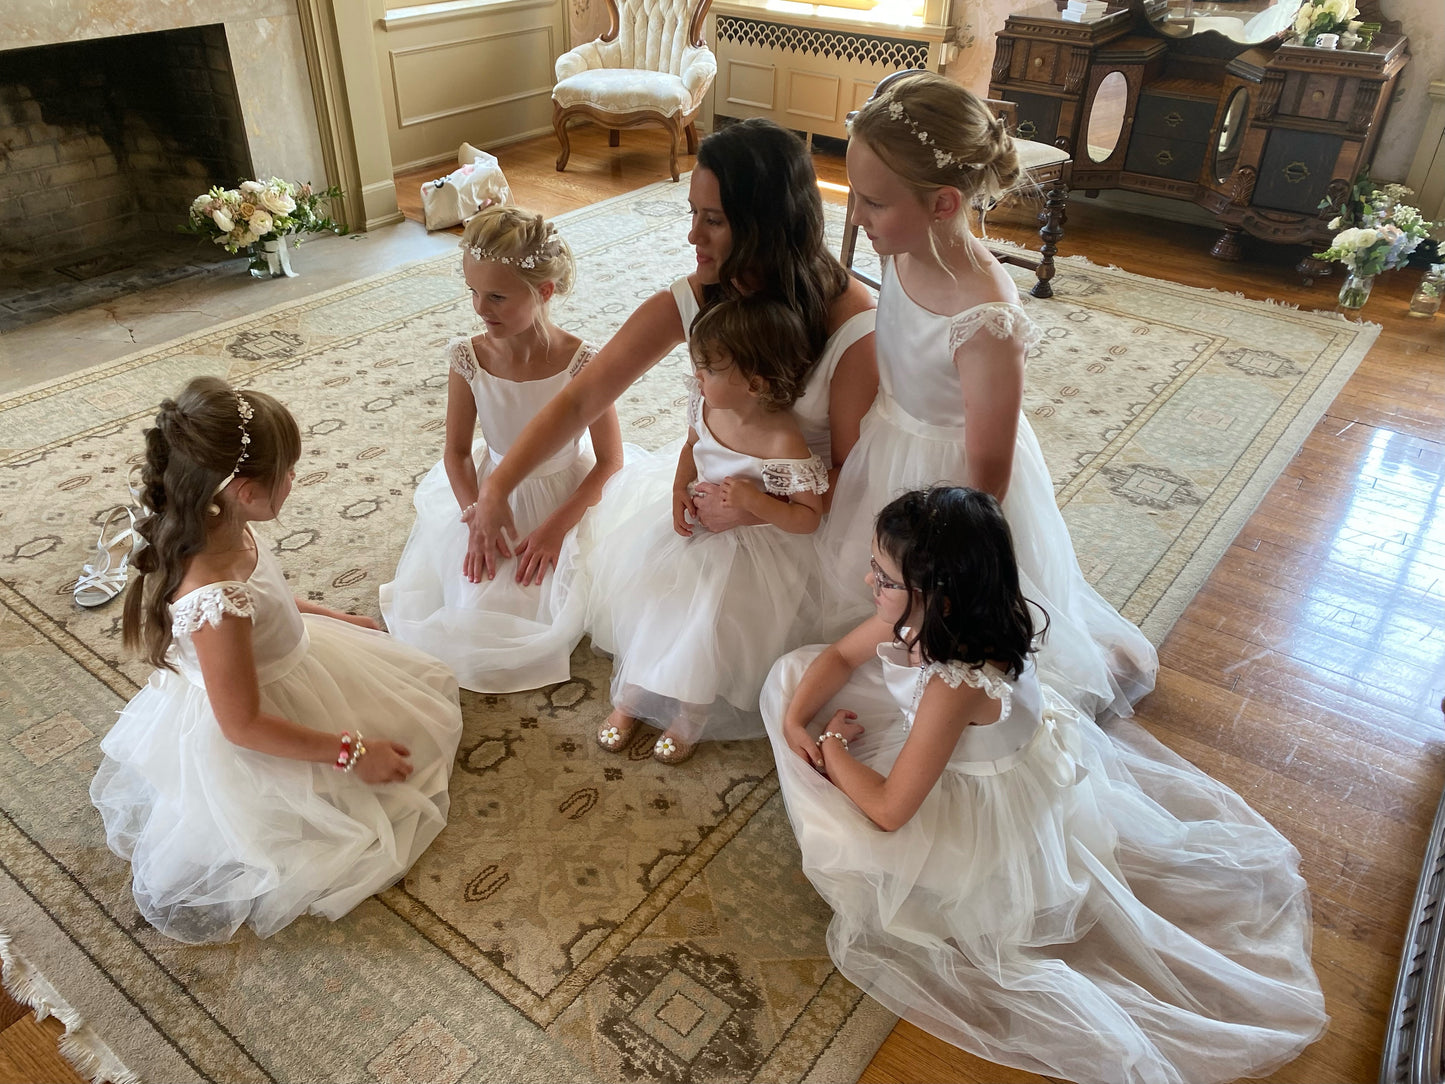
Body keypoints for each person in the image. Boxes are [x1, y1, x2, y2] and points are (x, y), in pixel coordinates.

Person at [762, 486, 1327, 1084]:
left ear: (941, 598)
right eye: (875, 567)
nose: (869, 582)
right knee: (794, 674)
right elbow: (840, 657)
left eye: (885, 578)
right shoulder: (974, 614)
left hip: (975, 818)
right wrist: (799, 719)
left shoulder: (955, 685)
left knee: (838, 821)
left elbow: (889, 811)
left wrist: (830, 745)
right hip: (993, 751)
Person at [818, 70, 1155, 718]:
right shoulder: (901, 245)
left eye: (872, 202)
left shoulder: (985, 316)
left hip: (953, 486)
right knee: (857, 597)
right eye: (855, 195)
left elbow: (989, 473)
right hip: (889, 444)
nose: (855, 216)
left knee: (937, 630)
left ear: (944, 203)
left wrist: (940, 565)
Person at [90, 377, 463, 944]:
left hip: (284, 659)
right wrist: (352, 751)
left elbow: (268, 595)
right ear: (240, 489)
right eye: (286, 470)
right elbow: (242, 725)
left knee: (422, 694)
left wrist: (328, 615)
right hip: (256, 717)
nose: (293, 478)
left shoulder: (221, 522)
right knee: (359, 816)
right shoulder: (213, 598)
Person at [462, 118, 876, 575]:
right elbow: (581, 400)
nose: (693, 236)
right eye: (692, 213)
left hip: (802, 531)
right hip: (711, 506)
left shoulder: (850, 320)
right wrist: (497, 487)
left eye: (713, 220)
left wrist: (755, 508)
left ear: (766, 224)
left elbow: (854, 478)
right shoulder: (697, 295)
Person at [379, 204, 622, 692]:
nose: (479, 309)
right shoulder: (469, 359)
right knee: (473, 605)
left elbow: (611, 460)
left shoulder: (583, 362)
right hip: (492, 497)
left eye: (496, 296)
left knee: (558, 602)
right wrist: (476, 515)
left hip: (565, 496)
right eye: (472, 292)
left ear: (544, 292)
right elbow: (455, 453)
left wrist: (556, 529)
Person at [586, 298, 830, 764]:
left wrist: (752, 502)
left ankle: (691, 714)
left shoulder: (783, 440)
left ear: (755, 384)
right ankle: (631, 698)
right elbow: (691, 446)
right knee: (660, 600)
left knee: (708, 623)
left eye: (708, 370)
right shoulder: (707, 406)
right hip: (696, 528)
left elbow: (809, 515)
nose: (696, 377)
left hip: (749, 552)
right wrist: (680, 488)